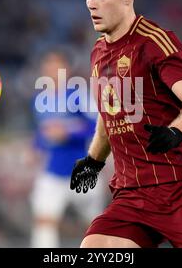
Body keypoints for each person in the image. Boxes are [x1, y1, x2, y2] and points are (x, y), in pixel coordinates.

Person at [70, 0, 182, 248]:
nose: (91, 3)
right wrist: (94, 160)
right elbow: (110, 114)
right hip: (132, 194)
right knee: (94, 247)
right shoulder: (98, 52)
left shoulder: (154, 42)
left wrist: (175, 132)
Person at [30, 51, 104, 248]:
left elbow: (97, 125)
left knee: (94, 224)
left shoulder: (78, 95)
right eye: (48, 65)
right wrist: (35, 147)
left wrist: (67, 132)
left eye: (56, 65)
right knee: (44, 220)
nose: (51, 70)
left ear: (67, 69)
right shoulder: (39, 100)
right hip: (53, 170)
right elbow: (42, 132)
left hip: (82, 168)